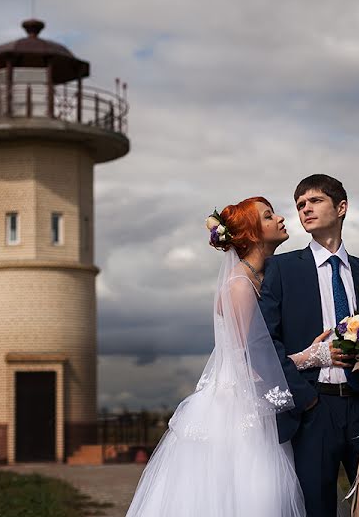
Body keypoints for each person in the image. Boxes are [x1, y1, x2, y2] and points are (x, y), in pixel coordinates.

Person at [125, 196, 309, 517]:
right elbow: (250, 355)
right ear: (252, 234)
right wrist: (309, 358)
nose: (280, 219)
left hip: (261, 392)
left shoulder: (265, 278)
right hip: (242, 405)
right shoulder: (239, 285)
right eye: (268, 216)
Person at [260, 174, 359, 517]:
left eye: (314, 201)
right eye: (299, 205)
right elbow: (264, 342)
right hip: (313, 408)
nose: (305, 208)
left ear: (341, 208)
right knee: (315, 507)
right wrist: (304, 399)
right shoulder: (281, 269)